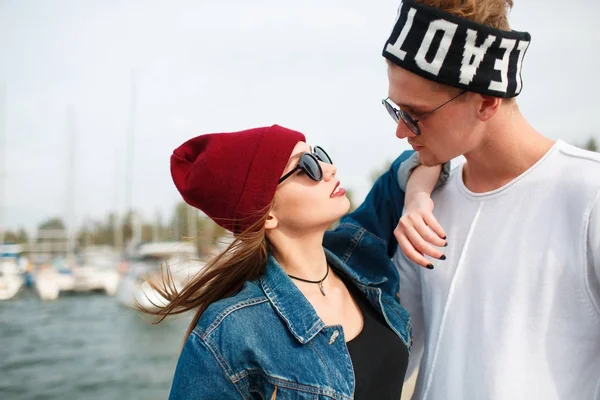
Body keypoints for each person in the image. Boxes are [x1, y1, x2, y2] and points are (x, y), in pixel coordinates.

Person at [381, 0, 600, 398]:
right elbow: (393, 360)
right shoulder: (428, 208)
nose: (401, 131)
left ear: (486, 101)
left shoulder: (589, 195)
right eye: (395, 109)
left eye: (416, 113)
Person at [142, 124, 444, 399]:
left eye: (319, 155)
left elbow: (424, 156)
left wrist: (417, 200)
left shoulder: (357, 253)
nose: (329, 168)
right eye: (307, 167)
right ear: (267, 214)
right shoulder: (229, 332)